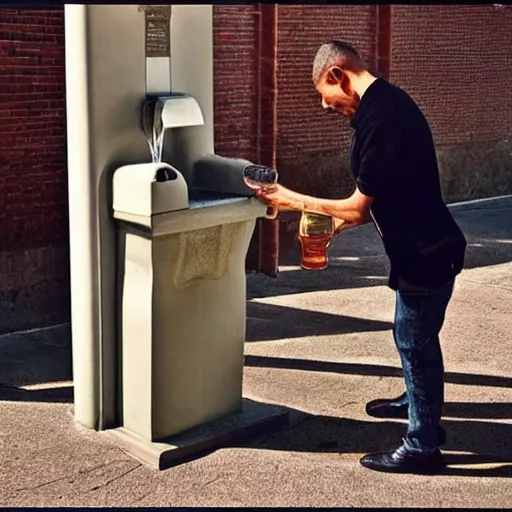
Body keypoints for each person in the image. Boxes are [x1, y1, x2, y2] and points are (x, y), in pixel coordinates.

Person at [256, 41, 467, 475]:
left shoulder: (382, 119)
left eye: (322, 92)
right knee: (416, 339)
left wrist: (289, 198)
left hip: (425, 255)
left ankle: (422, 445)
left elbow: (357, 206)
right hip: (428, 247)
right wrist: (333, 225)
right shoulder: (382, 108)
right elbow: (382, 194)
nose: (323, 104)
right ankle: (417, 404)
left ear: (337, 73)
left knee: (415, 344)